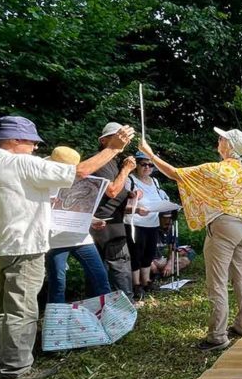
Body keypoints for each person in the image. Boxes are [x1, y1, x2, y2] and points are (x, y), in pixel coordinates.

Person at [0, 115, 133, 379]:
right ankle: (16, 368)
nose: (35, 148)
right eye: (32, 142)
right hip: (25, 246)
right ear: (15, 140)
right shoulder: (21, 163)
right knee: (22, 309)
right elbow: (79, 172)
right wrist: (114, 148)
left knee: (4, 305)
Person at [140, 127, 242, 352]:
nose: (218, 140)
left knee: (217, 281)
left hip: (225, 225)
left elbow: (177, 174)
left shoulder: (218, 169)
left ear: (229, 146)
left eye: (222, 138)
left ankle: (217, 336)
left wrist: (151, 154)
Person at [44, 146, 112, 305]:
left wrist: (94, 220)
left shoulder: (81, 180)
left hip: (81, 238)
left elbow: (81, 208)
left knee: (100, 277)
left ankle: (109, 317)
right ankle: (56, 324)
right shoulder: (43, 179)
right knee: (57, 284)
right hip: (54, 241)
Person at [90, 122, 140, 298]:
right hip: (103, 224)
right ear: (104, 141)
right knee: (118, 264)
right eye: (118, 138)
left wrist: (130, 195)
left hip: (113, 220)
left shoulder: (114, 163)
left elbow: (116, 193)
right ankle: (125, 303)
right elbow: (111, 191)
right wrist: (126, 169)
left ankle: (112, 302)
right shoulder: (99, 162)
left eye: (124, 139)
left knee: (113, 264)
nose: (123, 142)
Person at [125, 151, 170, 302]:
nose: (147, 168)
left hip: (152, 222)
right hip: (135, 222)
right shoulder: (130, 180)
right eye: (143, 164)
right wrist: (136, 205)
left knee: (149, 253)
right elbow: (124, 203)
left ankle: (146, 282)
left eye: (150, 165)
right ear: (136, 165)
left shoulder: (155, 181)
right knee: (136, 254)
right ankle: (136, 284)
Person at [150, 212, 194, 280]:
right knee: (149, 266)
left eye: (169, 218)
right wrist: (151, 263)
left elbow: (172, 250)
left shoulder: (172, 230)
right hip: (151, 260)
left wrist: (169, 264)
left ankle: (163, 273)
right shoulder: (151, 229)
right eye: (165, 218)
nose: (167, 220)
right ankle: (156, 274)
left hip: (163, 260)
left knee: (187, 257)